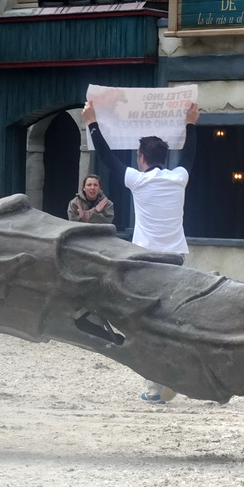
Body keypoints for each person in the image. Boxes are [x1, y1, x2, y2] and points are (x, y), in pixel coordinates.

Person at [82, 98, 200, 405]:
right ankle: (170, 377)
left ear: (141, 158)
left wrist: (92, 121)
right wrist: (190, 122)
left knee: (146, 323)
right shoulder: (179, 179)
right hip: (176, 258)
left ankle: (155, 383)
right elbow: (190, 153)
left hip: (147, 260)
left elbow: (106, 157)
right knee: (172, 319)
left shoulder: (138, 181)